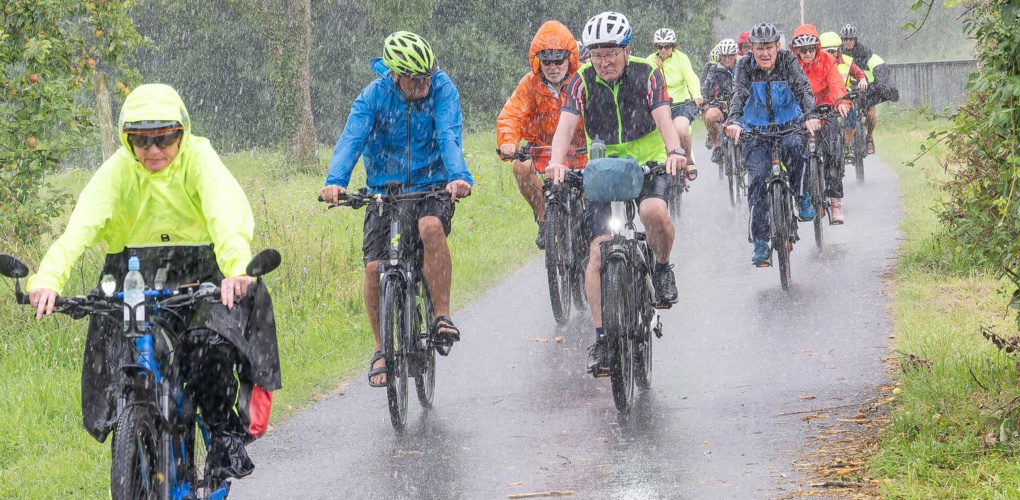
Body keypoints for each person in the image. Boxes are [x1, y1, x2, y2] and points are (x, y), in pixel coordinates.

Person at [26, 83, 280, 481]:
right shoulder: (118, 170)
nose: (153, 150)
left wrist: (235, 268)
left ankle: (221, 432)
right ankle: (136, 424)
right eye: (141, 140)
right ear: (128, 141)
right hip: (133, 274)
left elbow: (225, 215)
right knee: (118, 356)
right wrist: (48, 279)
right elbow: (79, 228)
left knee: (205, 345)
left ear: (182, 133)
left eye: (164, 138)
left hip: (203, 273)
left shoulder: (199, 158)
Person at [320, 31, 473, 388]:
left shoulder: (442, 89)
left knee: (431, 227)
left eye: (427, 77)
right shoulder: (372, 97)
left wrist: (458, 177)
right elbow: (351, 139)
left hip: (434, 183)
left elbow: (448, 134)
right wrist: (335, 180)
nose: (423, 84)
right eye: (415, 79)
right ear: (394, 74)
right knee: (374, 267)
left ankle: (441, 316)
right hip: (385, 191)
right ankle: (379, 348)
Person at [547, 11, 692, 374]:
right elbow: (564, 129)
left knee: (653, 213)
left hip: (649, 160)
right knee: (597, 253)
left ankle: (661, 268)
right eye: (596, 54)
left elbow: (663, 118)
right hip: (605, 166)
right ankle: (602, 340)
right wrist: (556, 162)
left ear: (627, 50)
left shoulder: (648, 73)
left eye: (611, 52)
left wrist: (674, 152)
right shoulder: (580, 81)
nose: (604, 61)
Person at [724, 22, 820, 267]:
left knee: (797, 149)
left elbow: (803, 89)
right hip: (756, 130)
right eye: (759, 48)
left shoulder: (789, 62)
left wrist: (810, 115)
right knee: (757, 179)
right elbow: (739, 94)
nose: (764, 53)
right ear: (751, 49)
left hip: (788, 123)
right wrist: (734, 120)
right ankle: (760, 240)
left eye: (769, 47)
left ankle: (802, 195)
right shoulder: (744, 67)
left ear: (778, 46)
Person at [497, 21, 587, 249]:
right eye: (547, 61)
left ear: (570, 59)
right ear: (538, 61)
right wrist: (508, 141)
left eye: (559, 60)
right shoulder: (529, 84)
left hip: (581, 152)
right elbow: (512, 114)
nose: (553, 66)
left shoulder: (583, 80)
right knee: (520, 166)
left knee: (591, 209)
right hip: (543, 151)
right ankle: (544, 217)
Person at [790, 25, 852, 224]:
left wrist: (841, 102)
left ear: (817, 47)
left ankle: (835, 202)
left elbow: (836, 84)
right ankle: (803, 196)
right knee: (796, 151)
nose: (807, 53)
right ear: (796, 50)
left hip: (825, 109)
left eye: (811, 48)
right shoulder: (792, 64)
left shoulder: (827, 60)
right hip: (801, 113)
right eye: (802, 50)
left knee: (833, 152)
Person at [647, 28, 703, 167]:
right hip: (659, 106)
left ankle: (689, 160)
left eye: (667, 46)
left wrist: (696, 95)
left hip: (681, 104)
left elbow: (691, 77)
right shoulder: (649, 61)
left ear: (673, 46)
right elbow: (644, 83)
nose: (663, 50)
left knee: (680, 130)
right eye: (660, 47)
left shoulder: (681, 58)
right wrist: (656, 69)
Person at [820, 31, 868, 162]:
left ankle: (848, 144)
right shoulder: (817, 64)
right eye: (826, 51)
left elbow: (859, 73)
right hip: (825, 100)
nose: (829, 54)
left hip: (843, 98)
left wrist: (862, 80)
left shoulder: (847, 62)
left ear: (839, 50)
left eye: (832, 51)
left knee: (851, 111)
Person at [839, 23, 886, 154]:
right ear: (842, 40)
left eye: (851, 39)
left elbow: (873, 65)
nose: (848, 42)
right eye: (845, 39)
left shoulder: (864, 51)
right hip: (847, 88)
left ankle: (869, 136)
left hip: (864, 88)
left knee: (870, 115)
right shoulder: (839, 53)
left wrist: (877, 80)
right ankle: (842, 139)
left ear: (855, 39)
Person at [702, 38, 739, 164]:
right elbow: (706, 85)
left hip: (741, 104)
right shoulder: (715, 68)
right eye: (724, 56)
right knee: (709, 117)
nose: (727, 59)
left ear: (736, 55)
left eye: (730, 55)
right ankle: (718, 147)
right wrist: (705, 99)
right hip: (723, 104)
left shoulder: (743, 65)